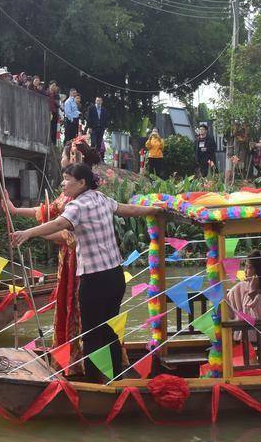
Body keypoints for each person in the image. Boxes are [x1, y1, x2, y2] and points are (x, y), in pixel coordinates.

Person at [10, 163, 163, 382]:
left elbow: (59, 224)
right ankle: (116, 379)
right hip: (115, 277)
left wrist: (28, 232)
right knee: (109, 330)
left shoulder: (77, 206)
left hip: (94, 279)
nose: (63, 183)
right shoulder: (101, 198)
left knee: (90, 334)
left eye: (67, 178)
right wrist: (153, 210)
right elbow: (127, 209)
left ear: (81, 183)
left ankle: (94, 383)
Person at [226, 252, 261, 320]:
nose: (245, 271)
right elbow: (228, 312)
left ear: (260, 271)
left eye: (248, 267)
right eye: (245, 266)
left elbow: (260, 318)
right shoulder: (239, 288)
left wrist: (253, 292)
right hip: (240, 330)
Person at [47, 81, 61, 145]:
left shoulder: (57, 95)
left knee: (54, 129)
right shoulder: (46, 93)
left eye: (55, 86)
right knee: (48, 128)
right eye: (53, 85)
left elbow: (58, 105)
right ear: (50, 85)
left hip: (54, 113)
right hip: (47, 112)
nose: (54, 87)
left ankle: (53, 143)